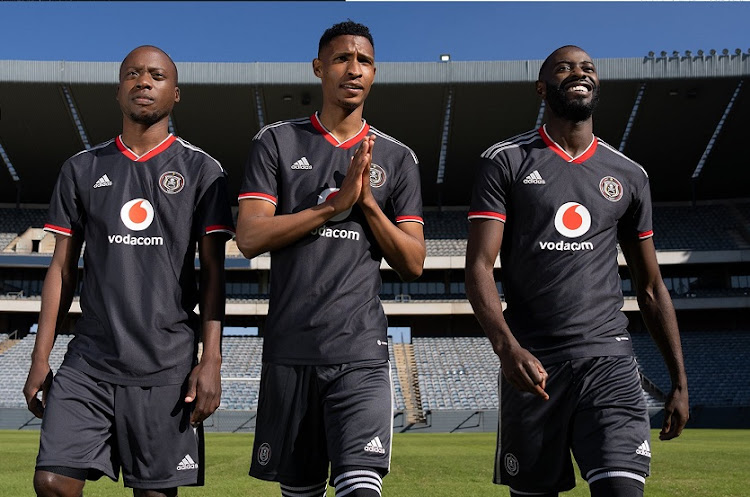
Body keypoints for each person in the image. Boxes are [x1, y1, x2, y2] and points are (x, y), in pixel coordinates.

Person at [465, 45, 689, 497]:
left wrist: (680, 383)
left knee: (622, 490)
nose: (578, 73)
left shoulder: (628, 174)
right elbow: (479, 267)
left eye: (587, 67)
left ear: (597, 83)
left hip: (609, 361)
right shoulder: (504, 160)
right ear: (542, 87)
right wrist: (507, 348)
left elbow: (649, 287)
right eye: (563, 68)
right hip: (534, 367)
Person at [22, 45, 234, 497]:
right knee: (52, 482)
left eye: (156, 76)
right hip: (90, 360)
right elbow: (61, 268)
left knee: (154, 494)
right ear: (118, 91)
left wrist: (210, 360)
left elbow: (214, 272)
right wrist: (40, 358)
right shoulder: (81, 169)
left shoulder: (202, 170)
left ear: (175, 93)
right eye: (133, 74)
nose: (143, 82)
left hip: (166, 365)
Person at [236, 20, 425, 497]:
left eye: (363, 61)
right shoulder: (277, 141)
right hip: (290, 350)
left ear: (375, 73)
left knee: (361, 489)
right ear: (319, 68)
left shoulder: (399, 159)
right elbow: (250, 235)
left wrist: (365, 204)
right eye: (341, 59)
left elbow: (414, 262)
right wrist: (331, 207)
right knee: (300, 491)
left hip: (360, 351)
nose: (353, 69)